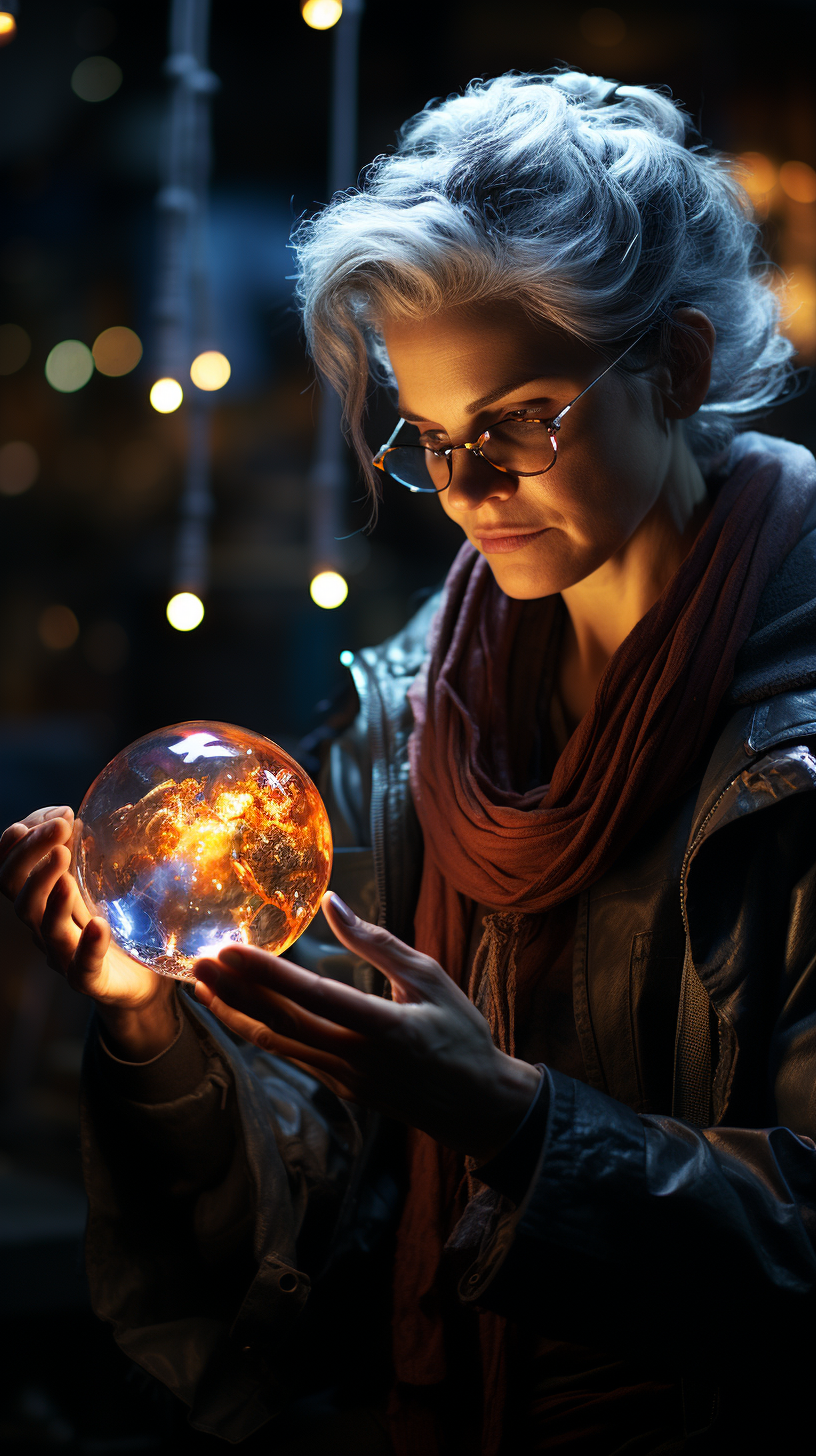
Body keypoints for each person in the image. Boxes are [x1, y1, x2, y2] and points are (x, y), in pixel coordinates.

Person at [2, 69, 816, 1455]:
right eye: (432, 436)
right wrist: (147, 1021)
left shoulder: (789, 755)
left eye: (522, 417)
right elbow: (311, 1212)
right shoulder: (416, 718)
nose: (467, 489)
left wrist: (511, 1121)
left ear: (676, 367)